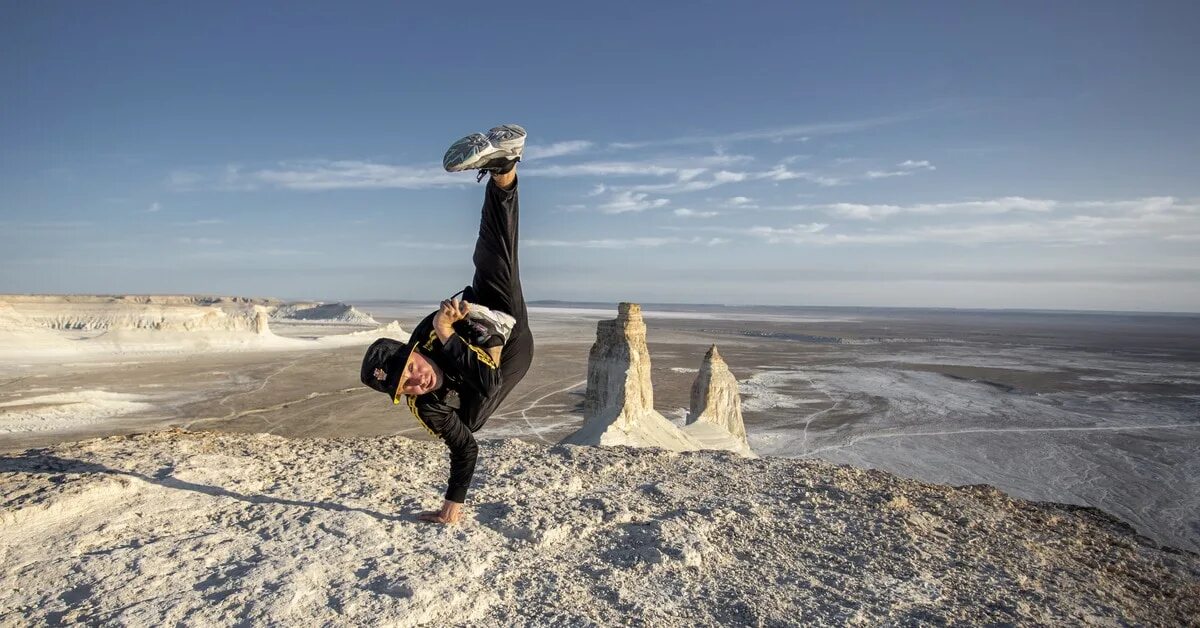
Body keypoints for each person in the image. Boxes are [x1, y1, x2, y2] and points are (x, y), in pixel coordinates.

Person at [360, 124, 534, 524]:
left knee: (494, 254)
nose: (415, 384)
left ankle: (503, 165)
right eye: (404, 388)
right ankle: (483, 345)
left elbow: (466, 314)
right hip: (511, 356)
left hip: (490, 320)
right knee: (470, 416)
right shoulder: (430, 408)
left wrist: (452, 322)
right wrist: (449, 510)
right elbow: (466, 444)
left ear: (414, 352)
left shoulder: (427, 333)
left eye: (410, 371)